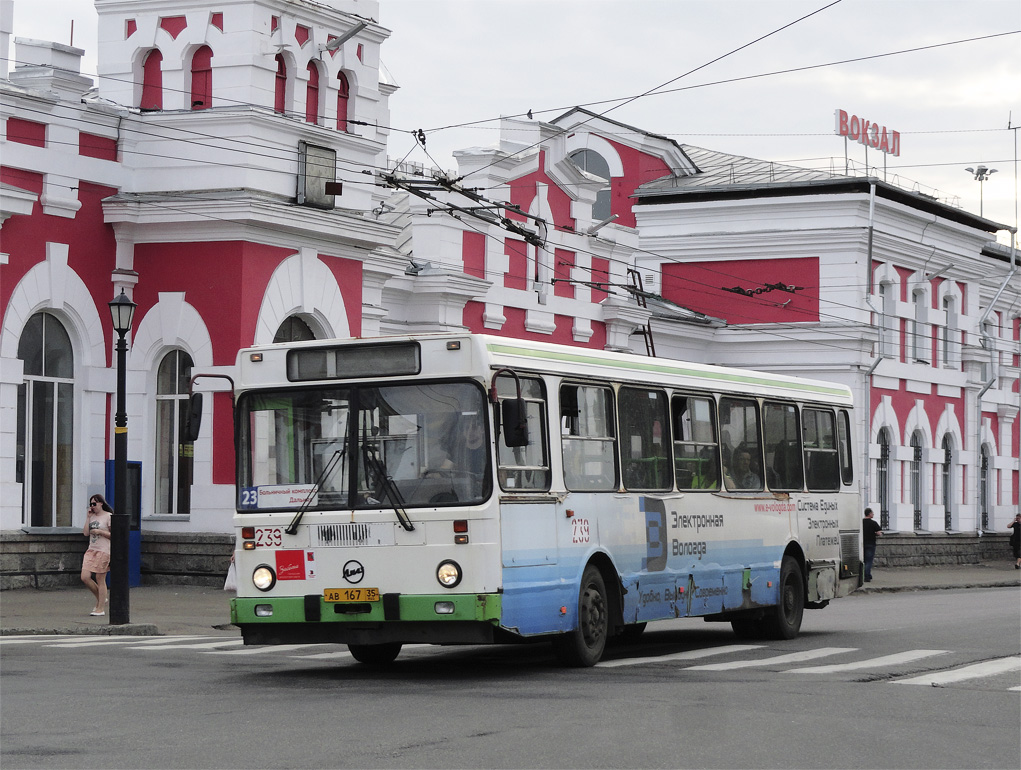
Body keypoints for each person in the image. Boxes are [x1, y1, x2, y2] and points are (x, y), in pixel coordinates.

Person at [81, 494, 113, 616]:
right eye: (91, 504)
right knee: (85, 576)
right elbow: (85, 533)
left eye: (94, 504)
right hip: (91, 549)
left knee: (100, 579)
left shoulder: (108, 516)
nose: (92, 506)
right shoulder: (92, 516)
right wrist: (88, 517)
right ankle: (101, 598)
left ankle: (100, 608)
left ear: (101, 503)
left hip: (103, 550)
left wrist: (100, 531)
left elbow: (113, 534)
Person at [862, 507, 882, 582]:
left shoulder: (861, 522)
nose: (873, 514)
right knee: (869, 561)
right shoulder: (873, 523)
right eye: (872, 513)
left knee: (863, 560)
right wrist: (876, 533)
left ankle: (865, 575)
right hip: (871, 544)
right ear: (869, 514)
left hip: (862, 544)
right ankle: (866, 576)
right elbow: (879, 532)